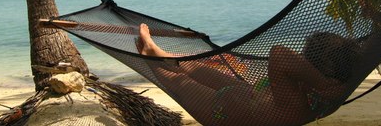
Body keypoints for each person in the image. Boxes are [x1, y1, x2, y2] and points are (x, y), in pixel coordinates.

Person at [137, 24, 360, 126]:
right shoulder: (313, 90)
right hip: (241, 96)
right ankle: (160, 53)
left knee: (179, 81)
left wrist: (322, 82)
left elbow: (279, 53)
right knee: (201, 69)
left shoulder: (300, 100)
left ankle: (150, 59)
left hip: (220, 111)